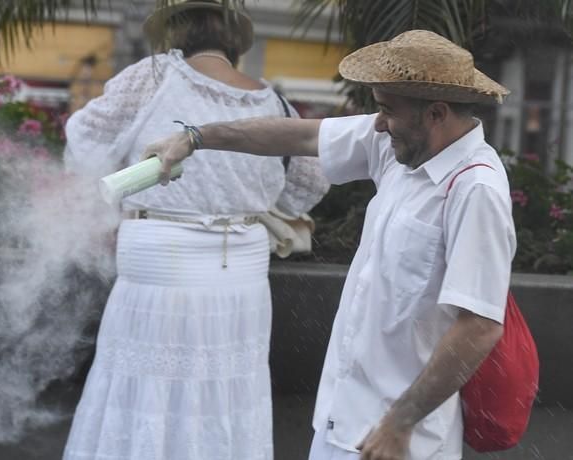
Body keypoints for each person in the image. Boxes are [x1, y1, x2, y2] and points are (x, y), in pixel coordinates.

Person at [145, 30, 516, 460]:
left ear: (436, 113)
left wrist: (401, 422)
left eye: (387, 110)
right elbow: (299, 137)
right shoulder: (402, 145)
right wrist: (195, 138)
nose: (377, 123)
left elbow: (480, 326)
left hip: (399, 440)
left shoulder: (476, 189)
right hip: (342, 417)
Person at [62, 1, 329, 459]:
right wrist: (249, 199)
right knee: (224, 388)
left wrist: (117, 185)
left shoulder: (151, 75)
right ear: (234, 45)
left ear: (175, 37)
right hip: (240, 271)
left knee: (147, 384)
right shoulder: (274, 99)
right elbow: (310, 181)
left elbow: (85, 138)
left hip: (158, 258)